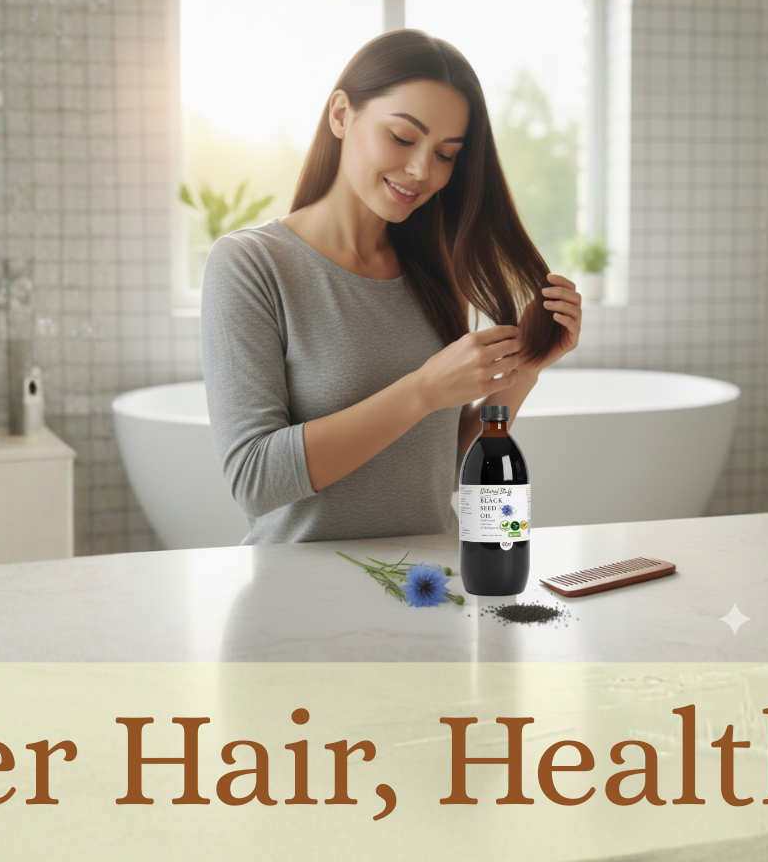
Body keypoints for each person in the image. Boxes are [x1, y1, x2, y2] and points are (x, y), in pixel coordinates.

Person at [200, 29, 584, 544]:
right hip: (297, 600)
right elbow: (255, 479)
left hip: (428, 586)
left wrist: (526, 372)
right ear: (341, 114)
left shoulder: (433, 270)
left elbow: (432, 475)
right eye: (403, 138)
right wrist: (423, 390)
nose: (422, 169)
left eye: (447, 154)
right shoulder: (251, 265)